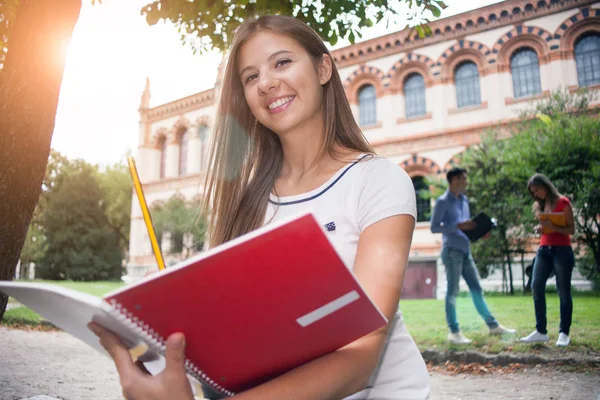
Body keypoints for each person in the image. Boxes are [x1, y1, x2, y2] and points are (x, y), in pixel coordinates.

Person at [88, 14, 430, 400]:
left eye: (282, 62)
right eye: (250, 77)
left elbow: (362, 357)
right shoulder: (246, 201)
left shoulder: (379, 180)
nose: (266, 83)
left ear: (322, 68)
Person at [430, 167, 515, 344]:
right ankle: (454, 332)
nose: (467, 183)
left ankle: (493, 326)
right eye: (464, 179)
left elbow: (468, 226)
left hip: (465, 249)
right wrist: (458, 227)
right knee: (452, 291)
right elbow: (434, 227)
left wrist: (479, 232)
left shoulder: (464, 200)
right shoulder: (442, 202)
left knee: (476, 288)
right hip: (451, 251)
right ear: (454, 181)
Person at [520, 173, 575, 347]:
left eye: (536, 190)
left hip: (562, 250)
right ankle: (541, 331)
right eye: (533, 192)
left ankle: (564, 333)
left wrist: (553, 226)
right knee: (536, 285)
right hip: (544, 249)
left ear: (545, 186)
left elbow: (571, 229)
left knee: (563, 291)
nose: (535, 194)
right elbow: (547, 228)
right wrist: (541, 229)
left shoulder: (563, 202)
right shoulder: (541, 205)